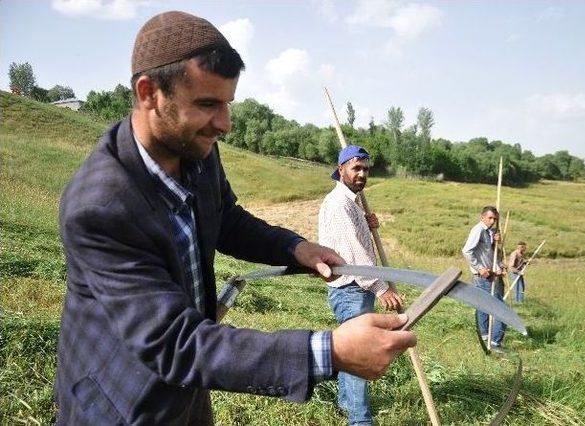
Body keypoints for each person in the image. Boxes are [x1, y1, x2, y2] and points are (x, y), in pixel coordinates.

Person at [54, 11, 416, 425]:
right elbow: (175, 344)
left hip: (190, 388)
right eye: (208, 104)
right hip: (121, 402)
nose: (224, 124)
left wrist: (293, 246)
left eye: (227, 104)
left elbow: (225, 219)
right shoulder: (99, 208)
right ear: (149, 92)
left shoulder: (196, 150)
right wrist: (330, 351)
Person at [318, 145, 404, 425]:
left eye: (366, 169)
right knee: (359, 355)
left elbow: (355, 238)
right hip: (352, 289)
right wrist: (381, 287)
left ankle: (346, 404)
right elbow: (354, 254)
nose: (362, 174)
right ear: (340, 168)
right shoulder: (340, 204)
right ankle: (360, 421)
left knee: (349, 349)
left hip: (352, 289)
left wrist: (367, 224)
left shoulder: (350, 202)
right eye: (356, 168)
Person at [461, 206, 507, 350]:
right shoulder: (479, 230)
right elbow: (467, 251)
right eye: (490, 218)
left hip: (490, 275)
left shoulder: (490, 232)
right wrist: (480, 268)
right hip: (483, 277)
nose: (493, 221)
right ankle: (495, 342)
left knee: (483, 306)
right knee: (501, 309)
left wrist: (496, 244)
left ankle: (485, 336)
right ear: (482, 217)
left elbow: (491, 254)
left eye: (495, 219)